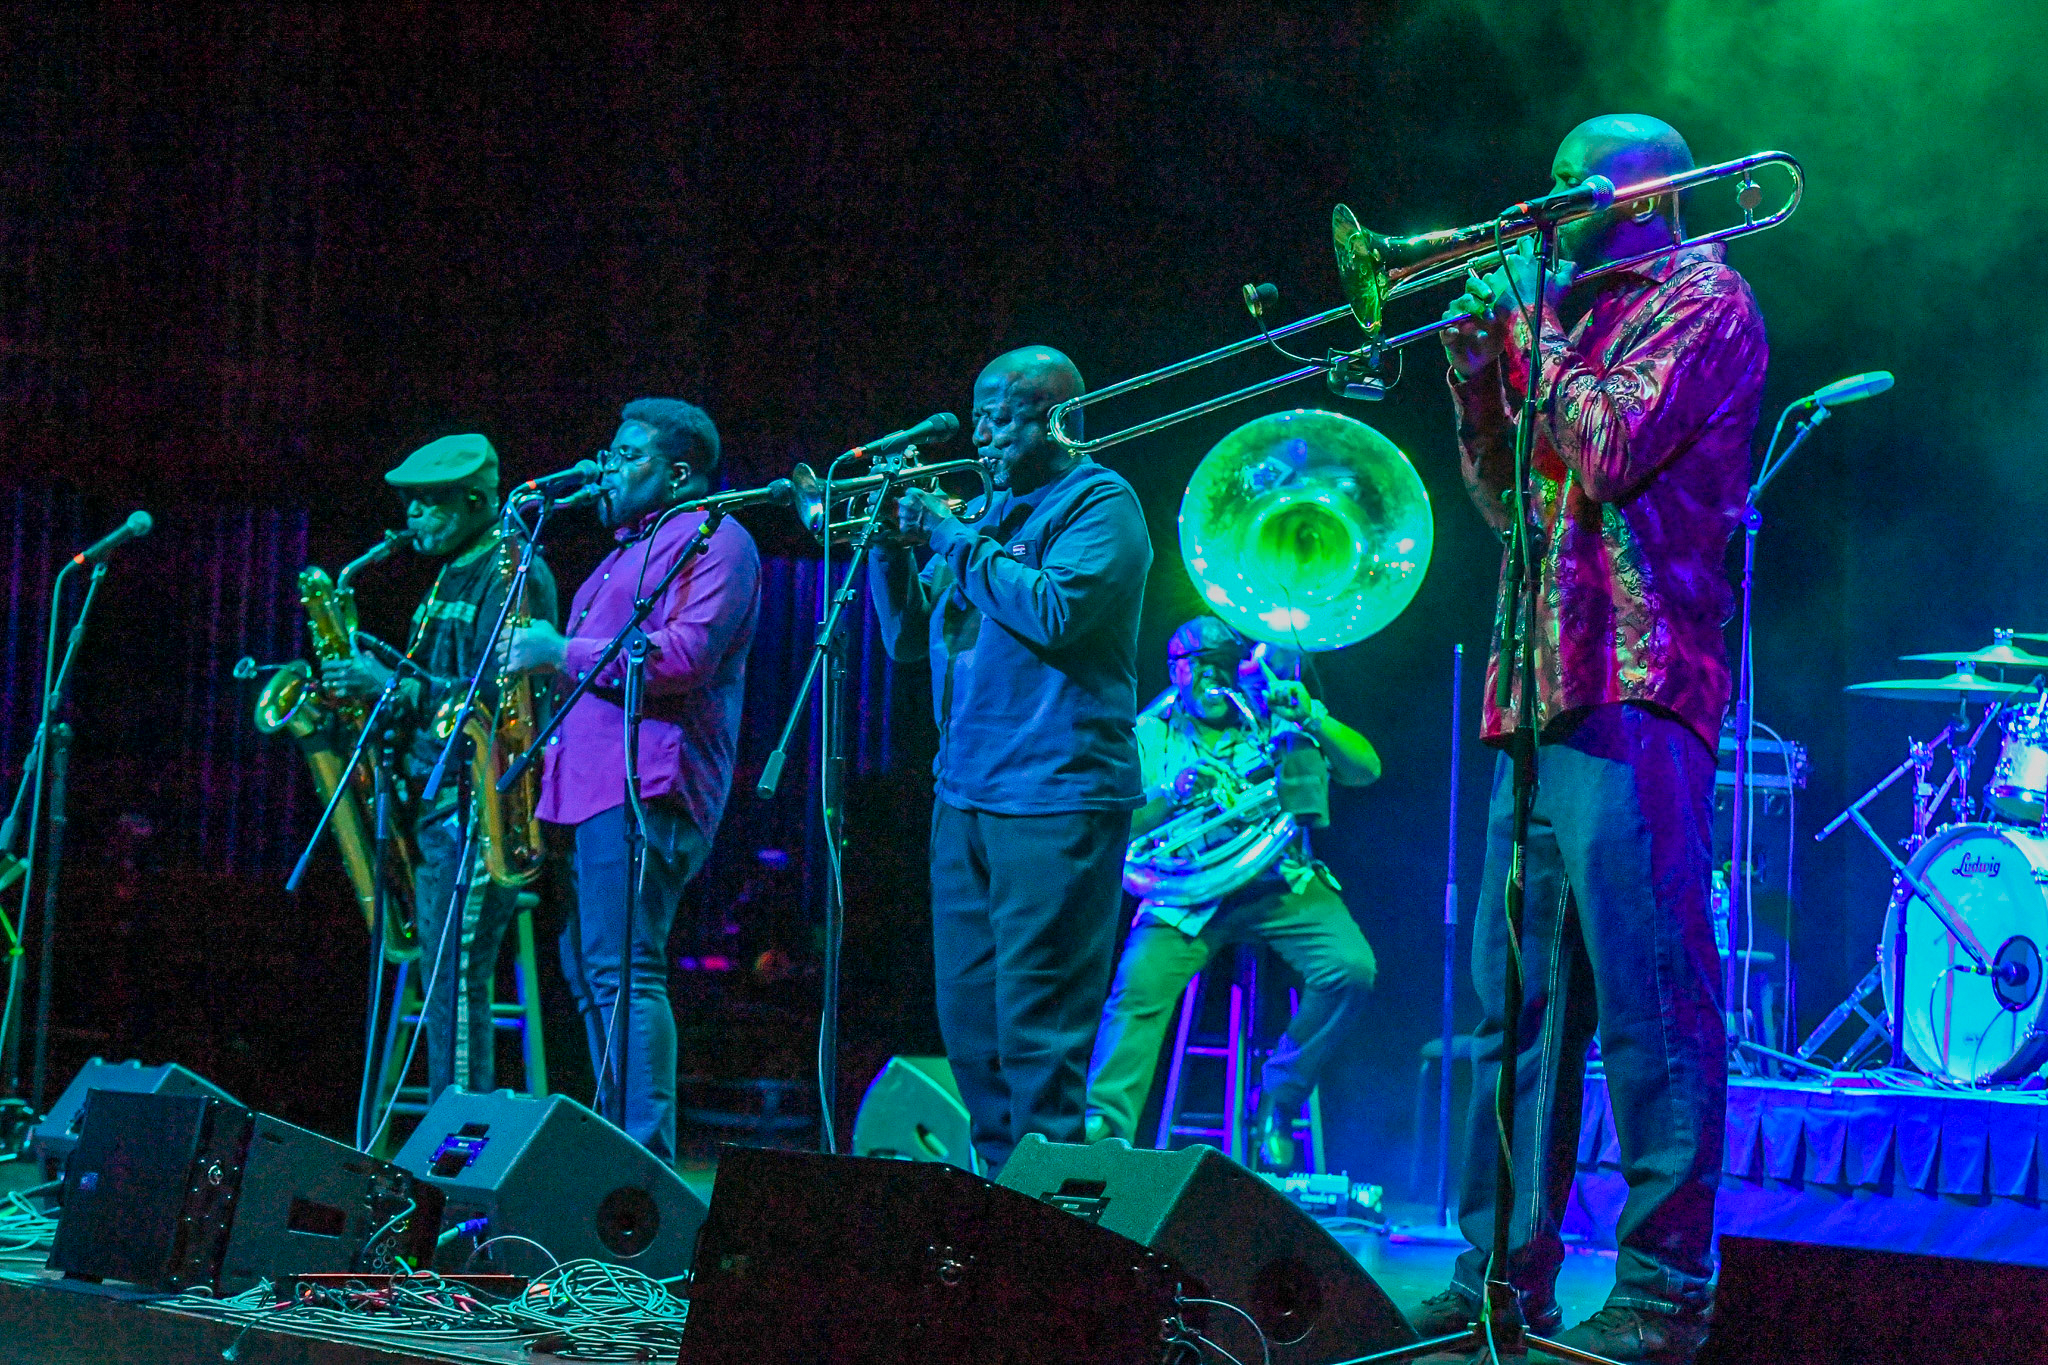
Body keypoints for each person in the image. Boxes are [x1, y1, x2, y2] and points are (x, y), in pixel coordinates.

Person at [1406, 114, 1767, 1365]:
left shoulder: (1703, 297)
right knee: (1516, 1008)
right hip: (1535, 685)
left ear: (1645, 189)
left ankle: (1666, 1291)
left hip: (1635, 677)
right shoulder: (1575, 314)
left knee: (1647, 1000)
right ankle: (1495, 1277)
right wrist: (1472, 372)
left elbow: (1608, 452)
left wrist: (1530, 329)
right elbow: (1512, 505)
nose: (1546, 195)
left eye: (1572, 178)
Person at [869, 345, 1152, 1173]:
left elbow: (1059, 612)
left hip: (1056, 795)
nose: (984, 431)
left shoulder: (1101, 502)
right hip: (964, 796)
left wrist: (949, 534)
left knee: (1038, 1032)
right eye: (980, 411)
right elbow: (905, 642)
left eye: (1003, 412)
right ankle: (1003, 1204)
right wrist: (890, 544)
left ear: (1060, 417)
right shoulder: (987, 516)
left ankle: (1050, 1228)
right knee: (971, 1029)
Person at [504, 398, 760, 1164]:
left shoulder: (718, 538)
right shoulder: (624, 550)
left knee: (625, 970)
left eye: (626, 457)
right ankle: (615, 1152)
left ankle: (641, 1166)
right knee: (590, 972)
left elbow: (682, 656)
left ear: (679, 472)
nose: (606, 470)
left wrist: (557, 650)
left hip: (645, 785)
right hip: (582, 789)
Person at [1084, 617, 1380, 1169]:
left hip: (1279, 882)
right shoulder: (1150, 733)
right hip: (1186, 897)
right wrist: (1173, 794)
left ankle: (1279, 1095)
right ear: (1175, 672)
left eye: (1222, 667)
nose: (1211, 681)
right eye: (1197, 668)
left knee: (1351, 968)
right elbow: (1112, 831)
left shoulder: (1273, 715)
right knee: (1134, 995)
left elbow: (1366, 769)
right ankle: (1103, 1136)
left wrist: (1313, 716)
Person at [323, 432, 559, 1104]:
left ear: (479, 500)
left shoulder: (512, 571)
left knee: (455, 976)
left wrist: (391, 688)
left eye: (430, 504)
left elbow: (496, 702)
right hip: (431, 804)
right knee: (441, 971)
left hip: (479, 808)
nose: (413, 519)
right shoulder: (450, 571)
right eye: (411, 505)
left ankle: (456, 1146)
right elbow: (438, 681)